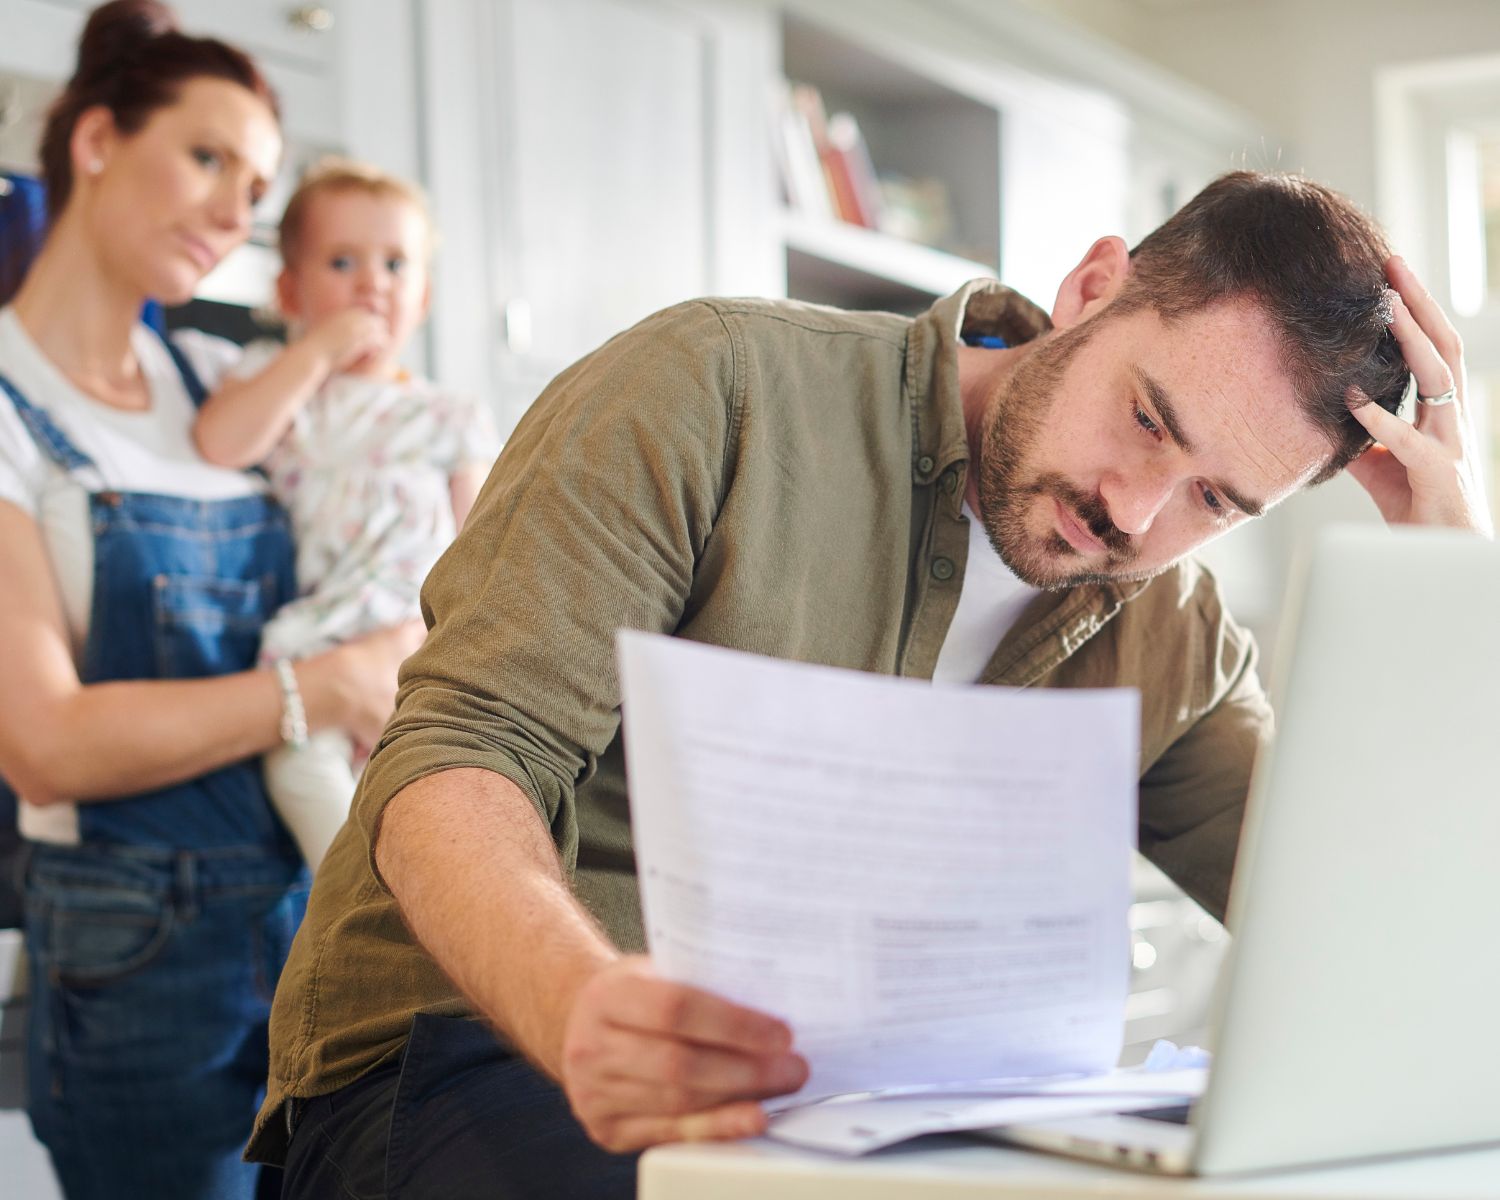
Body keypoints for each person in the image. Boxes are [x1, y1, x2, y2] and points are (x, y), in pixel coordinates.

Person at [250, 171, 1490, 1199]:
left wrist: (1452, 585)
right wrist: (579, 1007)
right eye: (1149, 420)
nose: (1133, 509)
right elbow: (458, 753)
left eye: (1216, 501)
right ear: (1094, 288)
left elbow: (1372, 928)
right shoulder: (716, 390)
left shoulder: (1170, 627)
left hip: (877, 1122)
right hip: (474, 1053)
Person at [0, 3, 421, 1197]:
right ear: (94, 143)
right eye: (207, 157)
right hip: (138, 969)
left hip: (307, 924)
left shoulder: (220, 386)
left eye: (259, 184)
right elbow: (42, 745)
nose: (238, 212)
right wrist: (322, 688)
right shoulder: (8, 412)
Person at [193, 158, 500, 870]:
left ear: (421, 297)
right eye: (342, 262)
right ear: (289, 290)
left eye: (396, 263)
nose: (372, 282)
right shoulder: (275, 383)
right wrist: (317, 351)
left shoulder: (446, 415)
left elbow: (480, 553)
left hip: (416, 649)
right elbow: (220, 442)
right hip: (318, 647)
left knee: (435, 797)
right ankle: (353, 907)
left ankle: (416, 910)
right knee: (300, 772)